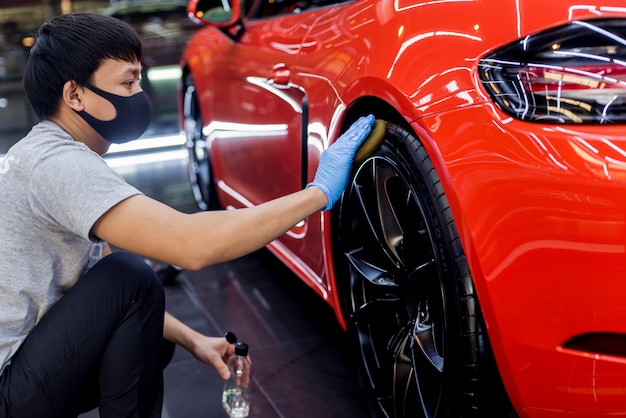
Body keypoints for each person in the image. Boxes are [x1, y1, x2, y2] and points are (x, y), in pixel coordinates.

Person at [0, 12, 375, 418]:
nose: (139, 94)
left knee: (149, 326)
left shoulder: (41, 153)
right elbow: (192, 245)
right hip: (8, 391)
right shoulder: (58, 164)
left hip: (18, 375)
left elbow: (95, 276)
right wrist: (316, 194)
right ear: (74, 95)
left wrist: (194, 340)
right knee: (132, 278)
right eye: (127, 83)